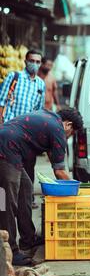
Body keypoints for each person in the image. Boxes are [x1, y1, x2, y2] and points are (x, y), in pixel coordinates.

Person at [0, 108, 83, 266]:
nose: (68, 137)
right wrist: (79, 189)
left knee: (26, 188)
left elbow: (53, 157)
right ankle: (9, 250)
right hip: (6, 149)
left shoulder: (48, 117)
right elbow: (59, 172)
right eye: (71, 133)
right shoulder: (58, 128)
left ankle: (28, 239)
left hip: (10, 148)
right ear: (68, 125)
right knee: (7, 201)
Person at [0, 49, 46, 208]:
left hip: (28, 136)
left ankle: (26, 201)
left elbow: (38, 111)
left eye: (38, 62)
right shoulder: (14, 77)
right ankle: (4, 204)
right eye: (32, 61)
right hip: (9, 134)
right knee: (7, 172)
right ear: (25, 61)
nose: (34, 64)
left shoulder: (41, 84)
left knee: (28, 168)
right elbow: (1, 103)